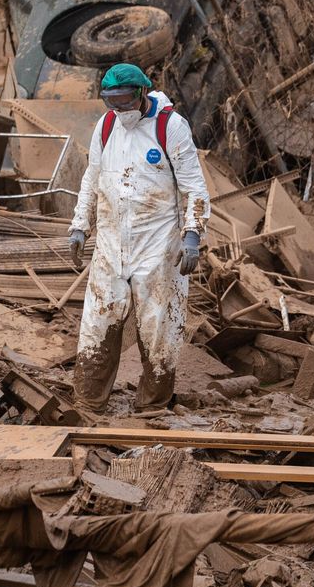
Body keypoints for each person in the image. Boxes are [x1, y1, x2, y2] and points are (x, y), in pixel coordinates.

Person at [67, 63, 210, 412]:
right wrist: (79, 226)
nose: (119, 109)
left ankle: (153, 408)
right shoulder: (106, 127)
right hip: (111, 244)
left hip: (157, 246)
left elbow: (194, 187)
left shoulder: (170, 127)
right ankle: (88, 403)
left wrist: (192, 236)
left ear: (142, 93)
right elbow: (92, 179)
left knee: (158, 329)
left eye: (125, 101)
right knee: (97, 325)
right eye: (111, 101)